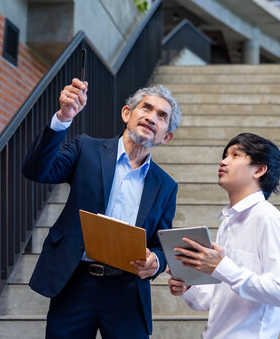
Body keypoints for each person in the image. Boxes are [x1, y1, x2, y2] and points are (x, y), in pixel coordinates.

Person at [23, 78, 181, 338]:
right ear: (127, 113)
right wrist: (63, 117)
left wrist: (155, 262)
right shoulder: (86, 148)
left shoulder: (166, 186)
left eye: (162, 116)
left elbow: (160, 243)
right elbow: (36, 169)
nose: (152, 117)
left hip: (127, 290)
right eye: (146, 108)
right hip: (75, 280)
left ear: (166, 136)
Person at [168, 133, 280, 339]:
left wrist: (221, 266)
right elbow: (218, 299)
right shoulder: (229, 221)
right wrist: (189, 287)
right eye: (225, 155)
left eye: (235, 155)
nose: (223, 161)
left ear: (259, 169)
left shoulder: (269, 219)